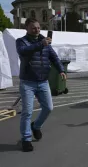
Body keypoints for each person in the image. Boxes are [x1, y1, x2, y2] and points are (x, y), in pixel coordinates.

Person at [16, 18, 66, 152]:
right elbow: (23, 51)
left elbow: (54, 57)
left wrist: (61, 70)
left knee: (49, 108)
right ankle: (26, 139)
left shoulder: (45, 42)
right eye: (33, 28)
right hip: (28, 82)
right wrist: (40, 44)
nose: (37, 30)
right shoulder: (21, 41)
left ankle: (36, 126)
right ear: (26, 28)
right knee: (27, 112)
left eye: (38, 28)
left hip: (43, 81)